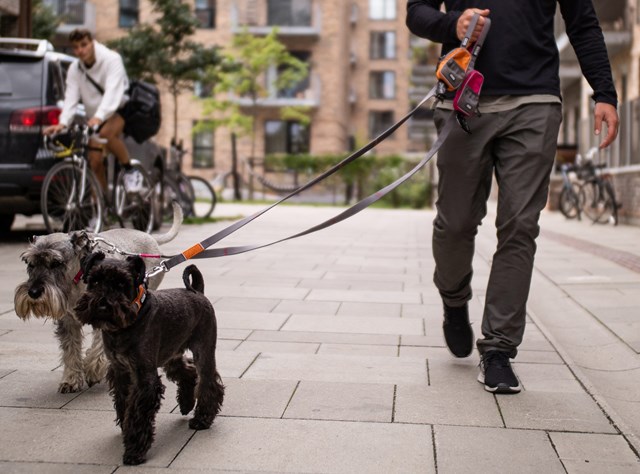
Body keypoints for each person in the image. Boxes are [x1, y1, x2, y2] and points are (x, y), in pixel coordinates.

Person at [406, 1, 619, 393]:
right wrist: (455, 24)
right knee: (455, 223)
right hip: (462, 101)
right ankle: (454, 299)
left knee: (520, 225)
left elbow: (583, 23)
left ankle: (499, 349)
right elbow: (416, 12)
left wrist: (604, 92)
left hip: (534, 101)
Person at [44, 28, 133, 192]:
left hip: (119, 108)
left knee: (107, 133)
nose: (80, 50)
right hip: (96, 117)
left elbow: (113, 92)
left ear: (92, 42)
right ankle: (100, 209)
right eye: (76, 47)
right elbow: (71, 98)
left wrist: (100, 117)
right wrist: (63, 123)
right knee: (94, 161)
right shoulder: (75, 69)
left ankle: (129, 171)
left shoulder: (112, 60)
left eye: (84, 45)